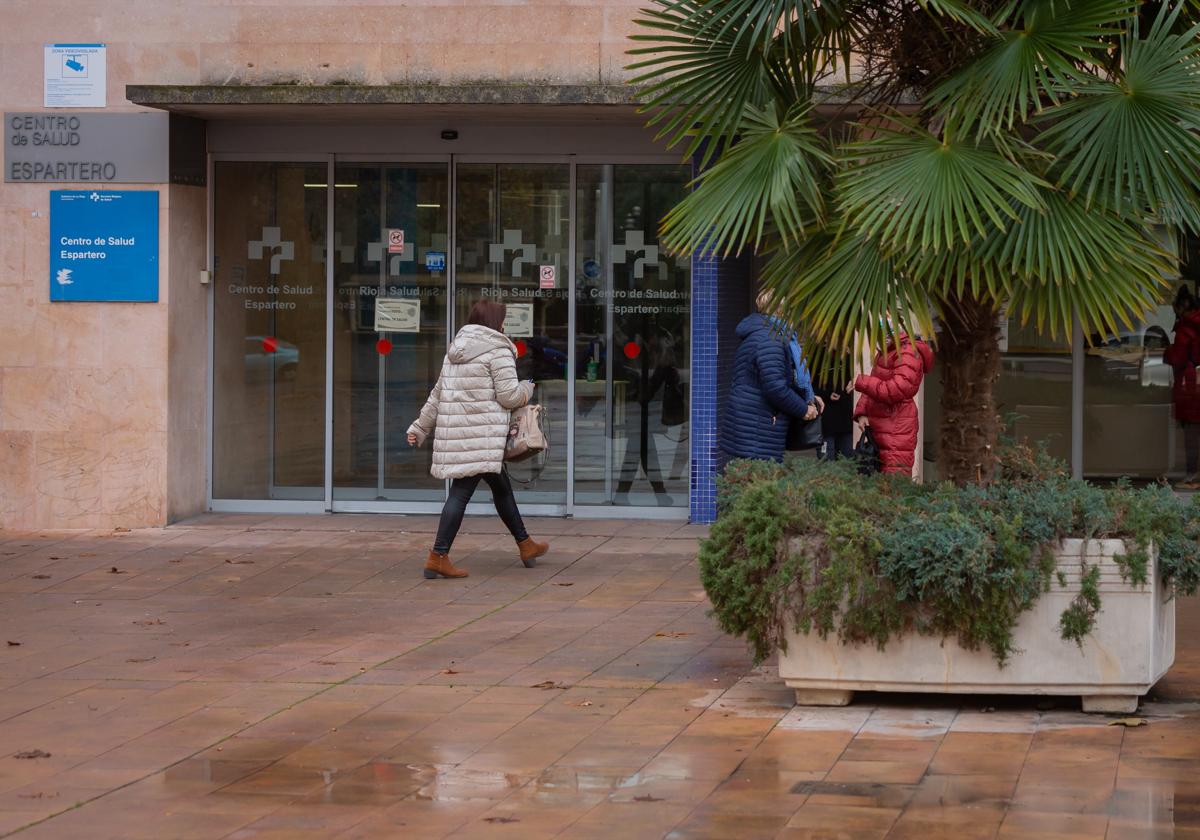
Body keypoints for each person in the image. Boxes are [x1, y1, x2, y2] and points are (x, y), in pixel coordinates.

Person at [407, 300, 549, 579]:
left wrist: (420, 427)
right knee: (461, 493)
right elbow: (509, 397)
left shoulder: (455, 351)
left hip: (465, 437)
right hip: (481, 438)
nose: (505, 325)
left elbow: (437, 395)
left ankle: (525, 544)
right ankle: (437, 556)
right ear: (496, 323)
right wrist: (527, 388)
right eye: (503, 320)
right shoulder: (498, 350)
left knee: (501, 488)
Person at [720, 309, 820, 463]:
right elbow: (776, 388)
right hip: (759, 425)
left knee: (753, 479)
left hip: (753, 421)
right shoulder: (771, 340)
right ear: (782, 311)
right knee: (760, 481)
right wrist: (804, 409)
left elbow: (774, 380)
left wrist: (810, 398)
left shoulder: (762, 334)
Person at [853, 333, 934, 475]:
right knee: (875, 481)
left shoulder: (908, 351)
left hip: (896, 428)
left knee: (893, 483)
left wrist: (861, 381)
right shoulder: (889, 349)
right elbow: (876, 380)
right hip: (880, 426)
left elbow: (897, 388)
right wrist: (863, 412)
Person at [1164, 286, 1200, 487]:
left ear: (1182, 308)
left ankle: (1191, 474)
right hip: (1196, 383)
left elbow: (1177, 357)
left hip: (1190, 387)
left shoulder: (1186, 330)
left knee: (1191, 433)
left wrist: (1166, 353)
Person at [813, 357, 855, 461]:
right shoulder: (817, 357)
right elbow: (810, 387)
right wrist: (827, 394)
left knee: (848, 460)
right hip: (826, 423)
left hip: (846, 420)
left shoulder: (850, 357)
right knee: (826, 460)